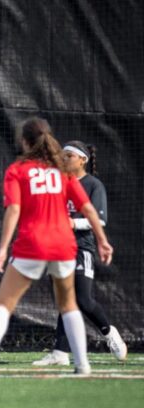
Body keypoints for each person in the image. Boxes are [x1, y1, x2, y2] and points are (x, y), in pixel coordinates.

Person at [0, 117, 113, 376]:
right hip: (64, 245)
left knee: (5, 302)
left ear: (24, 141)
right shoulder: (63, 173)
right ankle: (82, 364)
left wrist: (2, 248)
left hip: (32, 242)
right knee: (69, 304)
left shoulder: (17, 170)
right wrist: (102, 240)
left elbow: (13, 210)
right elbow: (87, 209)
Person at [33, 141, 127, 366]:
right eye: (62, 156)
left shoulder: (93, 185)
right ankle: (60, 353)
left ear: (82, 159)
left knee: (83, 299)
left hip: (81, 249)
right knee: (65, 298)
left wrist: (73, 224)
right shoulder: (59, 185)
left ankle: (109, 333)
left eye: (69, 156)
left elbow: (100, 219)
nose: (63, 160)